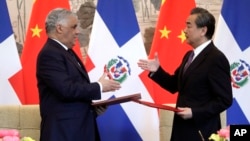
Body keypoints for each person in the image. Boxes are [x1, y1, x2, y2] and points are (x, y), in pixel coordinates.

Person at [138, 7, 233, 141]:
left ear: (203, 30)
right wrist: (157, 71)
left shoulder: (216, 58)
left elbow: (225, 100)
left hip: (201, 131)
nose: (184, 30)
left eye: (189, 26)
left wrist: (195, 112)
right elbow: (173, 85)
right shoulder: (189, 55)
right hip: (181, 129)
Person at [36, 8, 121, 141]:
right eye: (74, 27)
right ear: (59, 28)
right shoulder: (50, 54)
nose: (78, 32)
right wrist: (98, 86)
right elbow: (66, 90)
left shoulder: (65, 51)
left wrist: (92, 107)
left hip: (77, 130)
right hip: (64, 133)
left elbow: (73, 89)